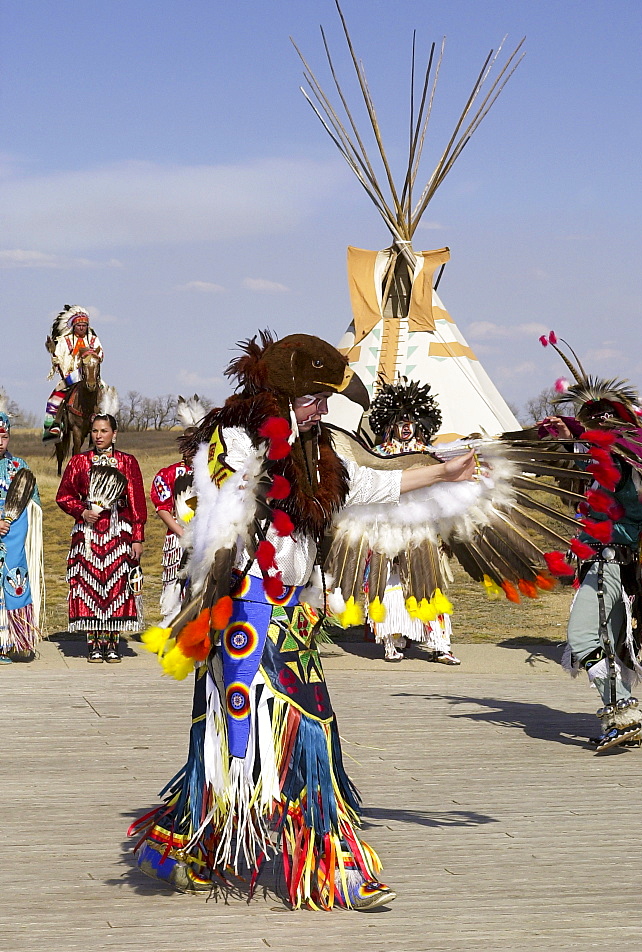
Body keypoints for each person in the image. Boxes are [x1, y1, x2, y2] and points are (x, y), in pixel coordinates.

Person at [132, 332, 476, 910]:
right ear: (287, 395)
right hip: (244, 616)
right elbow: (220, 517)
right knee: (247, 745)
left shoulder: (323, 454)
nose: (324, 408)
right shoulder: (238, 441)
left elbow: (378, 483)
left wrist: (444, 474)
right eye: (316, 397)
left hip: (292, 617)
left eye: (327, 399)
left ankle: (230, 855)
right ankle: (263, 860)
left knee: (296, 742)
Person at [538, 333, 642, 752]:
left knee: (585, 638)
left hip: (609, 563)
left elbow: (616, 489)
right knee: (612, 644)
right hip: (620, 567)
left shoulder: (622, 464)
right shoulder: (636, 456)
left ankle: (623, 712)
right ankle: (622, 717)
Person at [365, 378, 460, 664]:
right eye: (400, 421)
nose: (406, 426)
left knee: (429, 582)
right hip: (387, 528)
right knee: (389, 584)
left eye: (412, 420)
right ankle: (391, 640)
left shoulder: (431, 457)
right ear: (389, 424)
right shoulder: (377, 456)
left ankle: (439, 643)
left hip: (422, 528)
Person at [56, 413, 147, 663]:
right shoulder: (79, 462)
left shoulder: (127, 462)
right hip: (87, 535)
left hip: (118, 533)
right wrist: (82, 511)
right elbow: (63, 496)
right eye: (95, 431)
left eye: (104, 431)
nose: (99, 436)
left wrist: (137, 537)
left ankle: (112, 643)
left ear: (114, 434)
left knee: (116, 588)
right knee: (89, 587)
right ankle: (94, 643)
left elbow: (137, 503)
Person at [0, 412, 43, 662]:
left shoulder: (20, 466)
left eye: (4, 436)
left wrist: (9, 520)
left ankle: (11, 641)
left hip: (13, 538)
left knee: (13, 584)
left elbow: (33, 505)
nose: (0, 441)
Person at [150, 436, 195, 623]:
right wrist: (182, 532)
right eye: (188, 447)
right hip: (178, 539)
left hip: (208, 537)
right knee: (175, 584)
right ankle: (171, 628)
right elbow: (162, 507)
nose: (192, 452)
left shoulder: (213, 473)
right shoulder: (168, 474)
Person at [43, 305, 103, 442]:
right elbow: (59, 356)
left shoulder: (93, 340)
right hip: (71, 375)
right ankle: (55, 426)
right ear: (73, 325)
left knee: (106, 394)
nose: (82, 327)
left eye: (84, 325)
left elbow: (101, 354)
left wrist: (92, 356)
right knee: (55, 396)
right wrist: (53, 350)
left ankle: (106, 422)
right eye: (79, 325)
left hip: (91, 374)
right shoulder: (65, 341)